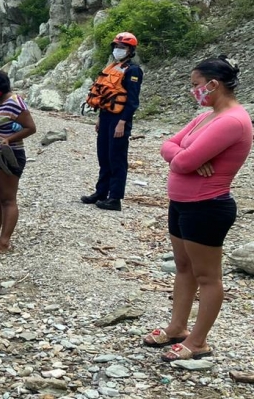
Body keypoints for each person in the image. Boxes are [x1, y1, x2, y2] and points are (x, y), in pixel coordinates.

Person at [146, 57, 251, 362]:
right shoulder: (208, 116)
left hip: (206, 207)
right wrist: (183, 154)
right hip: (182, 204)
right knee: (183, 268)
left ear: (213, 85)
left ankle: (199, 341)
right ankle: (177, 327)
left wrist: (184, 156)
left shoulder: (232, 120)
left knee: (207, 276)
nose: (194, 90)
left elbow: (181, 162)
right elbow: (169, 146)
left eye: (196, 85)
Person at [81, 32, 143, 211]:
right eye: (116, 47)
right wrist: (100, 118)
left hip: (119, 119)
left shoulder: (133, 71)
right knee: (104, 156)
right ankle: (101, 192)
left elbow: (132, 101)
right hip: (107, 117)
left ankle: (115, 198)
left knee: (117, 158)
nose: (118, 50)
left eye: (122, 47)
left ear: (130, 50)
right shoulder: (113, 67)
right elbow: (104, 97)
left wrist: (123, 122)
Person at [0, 70, 36, 254]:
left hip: (6, 156)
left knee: (8, 199)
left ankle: (4, 241)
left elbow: (30, 127)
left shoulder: (14, 101)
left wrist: (10, 138)